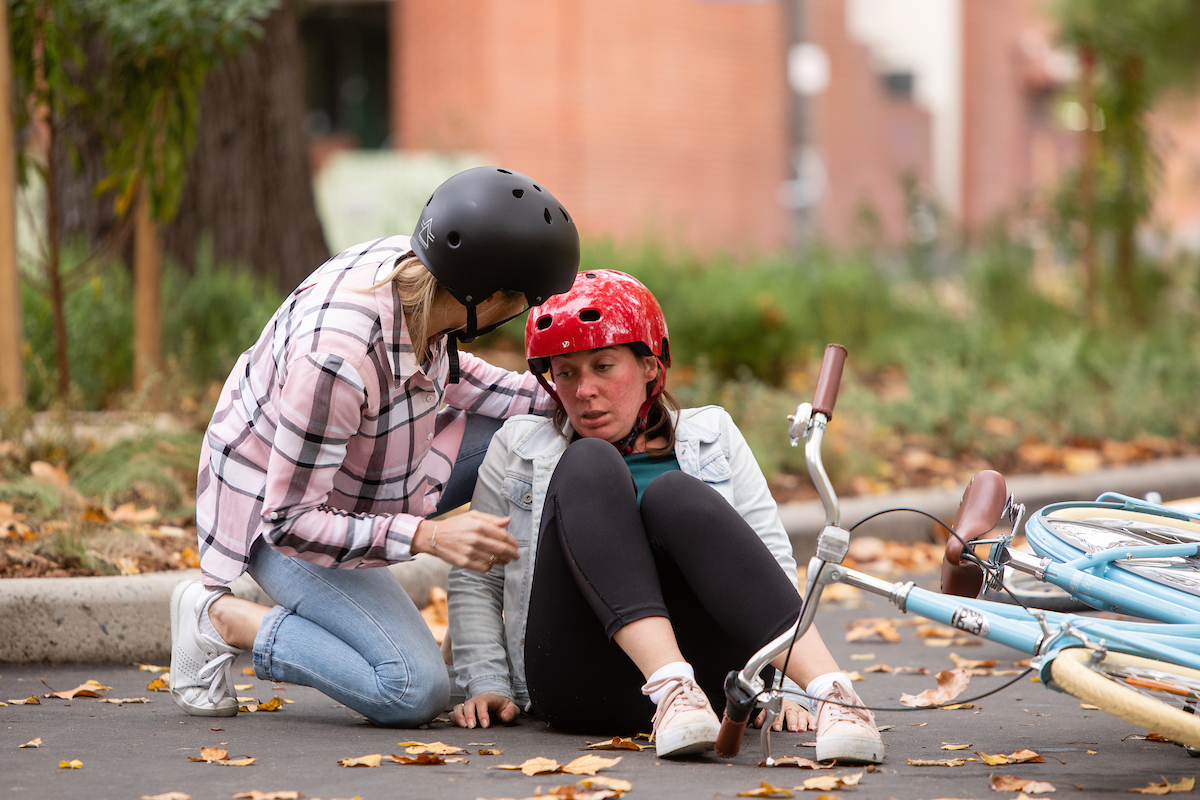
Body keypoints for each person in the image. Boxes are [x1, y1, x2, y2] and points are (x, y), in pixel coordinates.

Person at [169, 167, 580, 727]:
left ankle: (503, 644)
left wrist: (570, 402)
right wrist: (431, 535)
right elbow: (290, 521)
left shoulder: (418, 276)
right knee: (412, 689)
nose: (526, 314)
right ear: (484, 298)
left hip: (367, 468)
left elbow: (457, 376)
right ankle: (221, 620)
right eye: (525, 302)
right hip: (281, 519)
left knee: (538, 434)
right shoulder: (336, 361)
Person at [447, 270, 885, 762]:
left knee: (674, 492)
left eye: (604, 366)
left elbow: (768, 559)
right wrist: (486, 683)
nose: (584, 389)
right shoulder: (520, 446)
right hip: (578, 683)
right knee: (590, 462)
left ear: (651, 366)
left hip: (713, 685)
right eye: (565, 372)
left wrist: (784, 686)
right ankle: (668, 686)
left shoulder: (713, 433)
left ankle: (836, 695)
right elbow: (476, 579)